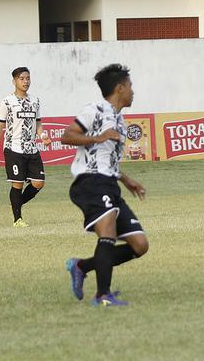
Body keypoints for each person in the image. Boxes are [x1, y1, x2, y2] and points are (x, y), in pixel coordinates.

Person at [63, 64, 149, 308]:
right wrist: (97, 137)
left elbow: (105, 158)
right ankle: (102, 296)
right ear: (120, 88)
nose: (133, 91)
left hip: (109, 183)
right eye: (130, 86)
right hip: (90, 182)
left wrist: (125, 178)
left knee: (140, 245)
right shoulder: (95, 109)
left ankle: (82, 266)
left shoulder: (120, 121)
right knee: (108, 228)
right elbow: (67, 136)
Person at [0, 67, 46, 228]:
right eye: (22, 78)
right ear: (14, 81)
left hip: (31, 148)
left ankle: (16, 203)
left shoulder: (35, 100)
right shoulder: (7, 101)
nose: (25, 81)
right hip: (14, 148)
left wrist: (43, 136)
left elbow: (38, 123)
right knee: (17, 184)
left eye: (28, 78)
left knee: (39, 183)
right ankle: (17, 219)